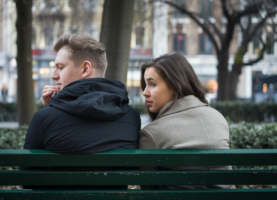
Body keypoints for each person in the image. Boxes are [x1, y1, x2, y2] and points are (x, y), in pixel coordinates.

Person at [21, 34, 140, 189]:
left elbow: (27, 179)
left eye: (60, 67)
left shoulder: (43, 119)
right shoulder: (132, 118)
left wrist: (49, 112)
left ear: (85, 69)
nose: (53, 75)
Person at [139, 53, 235, 190]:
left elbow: (148, 189)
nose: (145, 92)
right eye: (145, 85)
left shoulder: (151, 134)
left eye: (152, 84)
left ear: (175, 85)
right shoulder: (218, 118)